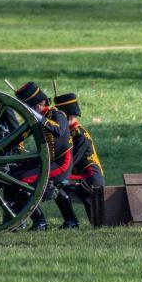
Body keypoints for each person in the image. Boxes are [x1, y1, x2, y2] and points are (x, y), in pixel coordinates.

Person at [11, 82, 75, 231]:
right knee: (14, 174)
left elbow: (58, 130)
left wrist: (39, 118)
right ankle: (17, 218)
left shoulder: (58, 114)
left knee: (24, 181)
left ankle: (40, 222)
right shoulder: (38, 117)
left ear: (37, 105)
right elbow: (21, 135)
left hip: (61, 164)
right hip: (46, 161)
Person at [54, 93, 104, 226]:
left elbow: (70, 162)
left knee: (56, 183)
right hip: (81, 176)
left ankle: (71, 222)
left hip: (89, 179)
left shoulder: (78, 134)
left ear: (69, 116)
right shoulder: (70, 132)